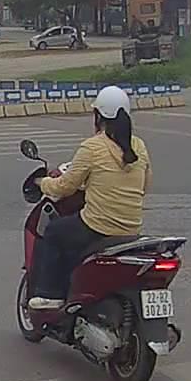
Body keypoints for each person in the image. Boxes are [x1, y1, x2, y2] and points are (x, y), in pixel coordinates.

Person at [28, 86, 152, 310]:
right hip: (132, 228)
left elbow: (64, 187)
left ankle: (49, 294)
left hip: (98, 227)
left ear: (98, 116)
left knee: (54, 232)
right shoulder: (139, 146)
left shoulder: (92, 147)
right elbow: (144, 185)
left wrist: (42, 183)